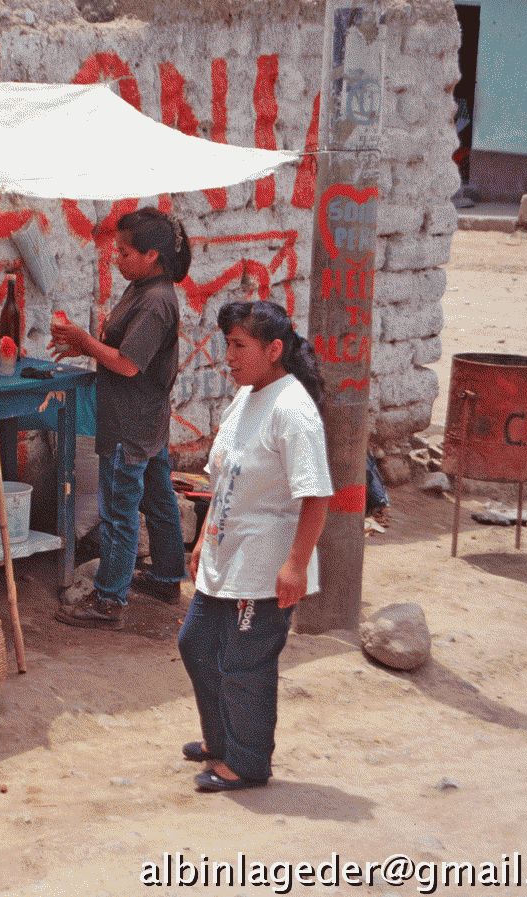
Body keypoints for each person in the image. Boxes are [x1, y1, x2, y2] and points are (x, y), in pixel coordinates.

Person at [178, 300, 332, 792]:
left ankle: (246, 762)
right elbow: (222, 477)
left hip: (265, 564)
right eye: (227, 344)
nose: (229, 356)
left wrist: (295, 565)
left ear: (274, 350)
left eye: (239, 346)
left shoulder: (293, 410)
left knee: (245, 664)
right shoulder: (247, 396)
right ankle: (221, 741)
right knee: (197, 644)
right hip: (226, 554)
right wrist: (204, 538)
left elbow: (316, 496)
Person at [50, 207, 190, 629]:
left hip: (131, 423)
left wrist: (85, 341)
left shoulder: (155, 301)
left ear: (151, 256)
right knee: (159, 499)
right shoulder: (144, 288)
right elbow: (121, 349)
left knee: (119, 511)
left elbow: (128, 364)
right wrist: (85, 346)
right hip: (145, 419)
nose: (117, 259)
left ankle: (109, 600)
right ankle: (166, 577)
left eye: (125, 252)